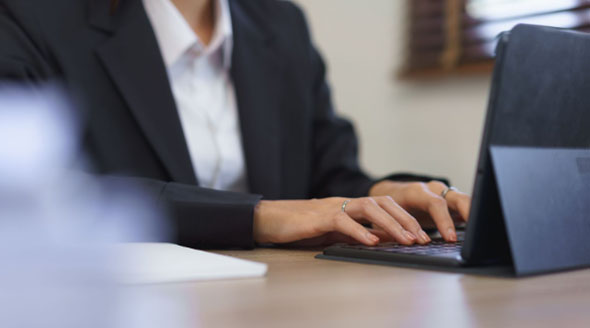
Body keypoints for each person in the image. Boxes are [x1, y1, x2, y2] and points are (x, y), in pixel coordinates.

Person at [0, 0, 471, 249]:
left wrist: (380, 197)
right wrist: (258, 216)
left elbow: (325, 179)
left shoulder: (281, 23)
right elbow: (36, 194)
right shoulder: (31, 17)